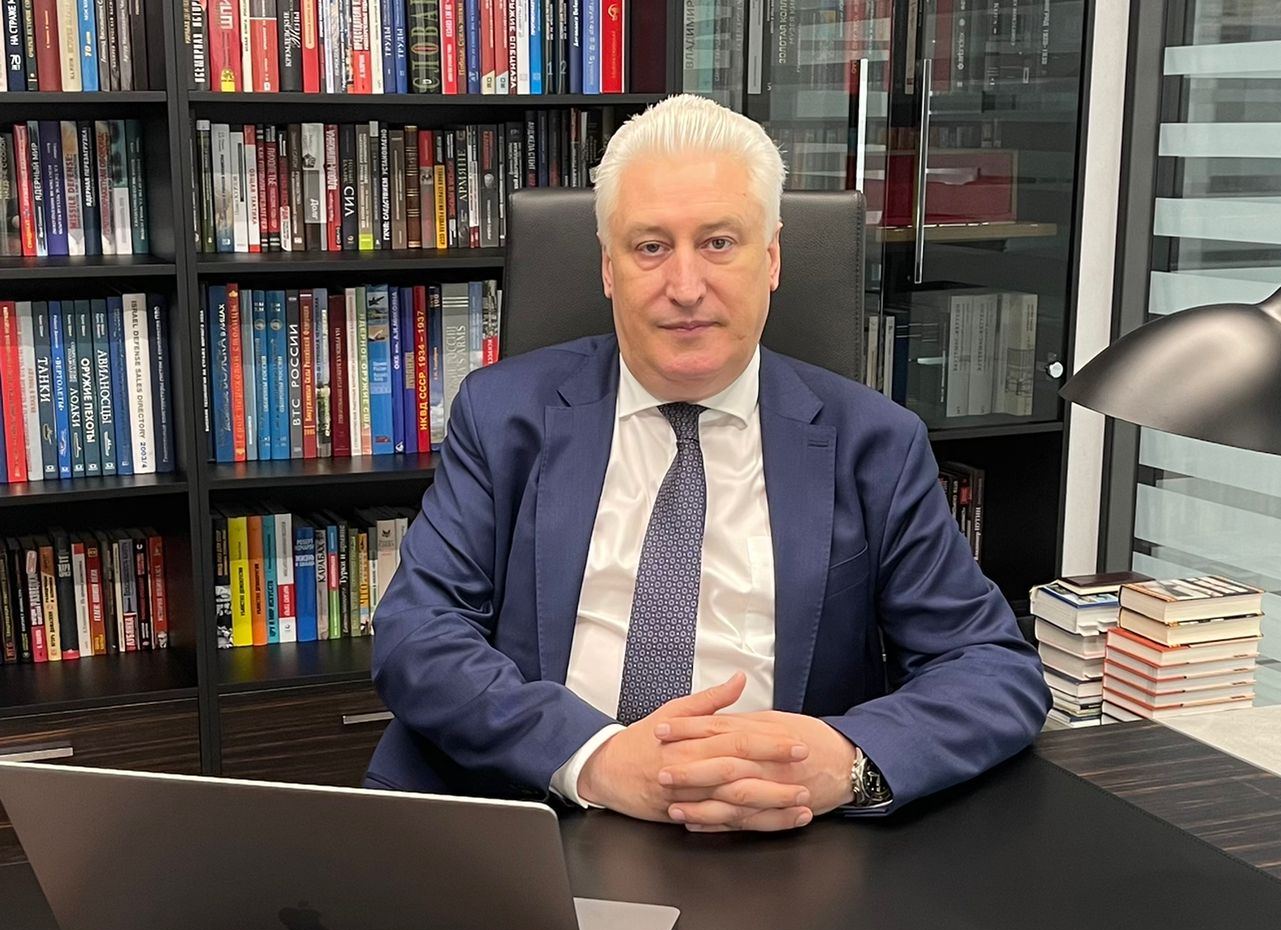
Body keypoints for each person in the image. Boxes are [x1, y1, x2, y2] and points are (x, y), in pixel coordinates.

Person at [367, 94, 1048, 832]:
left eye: (719, 243)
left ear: (772, 258)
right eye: (650, 247)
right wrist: (595, 758)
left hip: (776, 835)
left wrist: (847, 761)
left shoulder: (875, 443)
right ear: (608, 268)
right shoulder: (503, 415)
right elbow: (419, 634)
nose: (686, 288)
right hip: (540, 811)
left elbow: (991, 667)